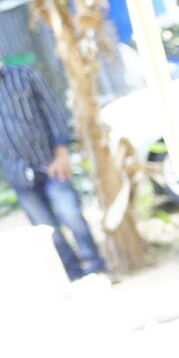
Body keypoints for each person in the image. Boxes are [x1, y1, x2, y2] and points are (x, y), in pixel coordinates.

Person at [0, 61, 109, 283]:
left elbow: (52, 113)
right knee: (46, 229)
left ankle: (95, 267)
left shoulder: (24, 75)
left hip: (51, 163)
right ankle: (72, 275)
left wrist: (61, 154)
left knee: (71, 215)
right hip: (17, 173)